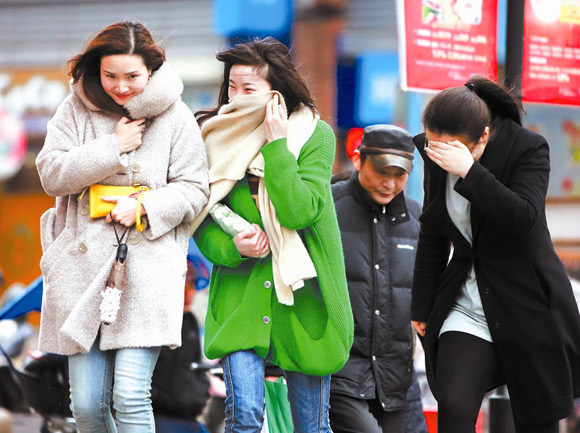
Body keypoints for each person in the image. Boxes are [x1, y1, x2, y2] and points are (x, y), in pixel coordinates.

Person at [36, 21, 209, 432]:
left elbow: (195, 188)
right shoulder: (73, 109)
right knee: (88, 407)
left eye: (132, 76)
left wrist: (147, 206)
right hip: (80, 273)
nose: (121, 86)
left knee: (130, 397)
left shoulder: (176, 116)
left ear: (152, 70)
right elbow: (51, 175)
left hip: (147, 270)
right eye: (109, 76)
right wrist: (111, 148)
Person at [192, 37, 354, 433]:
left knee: (311, 427)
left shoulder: (314, 136)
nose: (237, 96)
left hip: (303, 302)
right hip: (240, 298)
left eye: (250, 89)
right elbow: (200, 219)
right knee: (244, 416)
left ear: (276, 92)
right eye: (232, 86)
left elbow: (301, 212)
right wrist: (232, 247)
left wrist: (278, 146)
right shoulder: (213, 136)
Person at [410, 75, 580, 433]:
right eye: (433, 146)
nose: (440, 156)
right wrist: (422, 305)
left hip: (528, 301)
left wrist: (469, 172)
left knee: (538, 420)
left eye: (451, 149)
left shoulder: (529, 148)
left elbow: (524, 218)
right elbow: (434, 229)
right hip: (468, 301)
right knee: (454, 407)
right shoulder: (434, 150)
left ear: (484, 136)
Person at [330, 125, 427, 433]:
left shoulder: (416, 220)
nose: (389, 183)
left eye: (399, 175)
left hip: (394, 378)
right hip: (338, 372)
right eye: (381, 171)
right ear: (359, 160)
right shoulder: (326, 207)